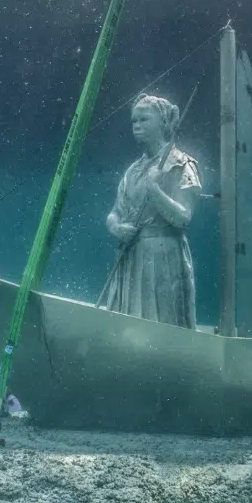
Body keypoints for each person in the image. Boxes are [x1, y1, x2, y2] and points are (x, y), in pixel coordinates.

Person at [98, 93, 201, 329]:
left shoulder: (181, 164)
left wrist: (154, 190)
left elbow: (182, 217)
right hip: (131, 255)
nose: (136, 125)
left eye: (144, 119)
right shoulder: (133, 170)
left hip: (162, 258)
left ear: (163, 123)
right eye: (134, 120)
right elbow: (115, 212)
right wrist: (116, 227)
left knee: (159, 322)